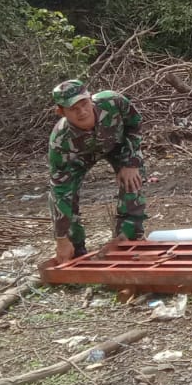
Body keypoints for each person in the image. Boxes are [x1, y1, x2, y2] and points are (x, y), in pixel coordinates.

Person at [47, 79, 155, 264]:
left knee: (132, 182)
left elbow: (135, 124)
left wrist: (131, 162)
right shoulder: (60, 142)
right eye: (73, 109)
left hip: (118, 145)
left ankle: (128, 238)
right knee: (67, 199)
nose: (82, 112)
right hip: (80, 158)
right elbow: (60, 192)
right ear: (61, 111)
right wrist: (61, 239)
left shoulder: (113, 102)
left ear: (91, 98)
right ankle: (76, 251)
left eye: (84, 104)